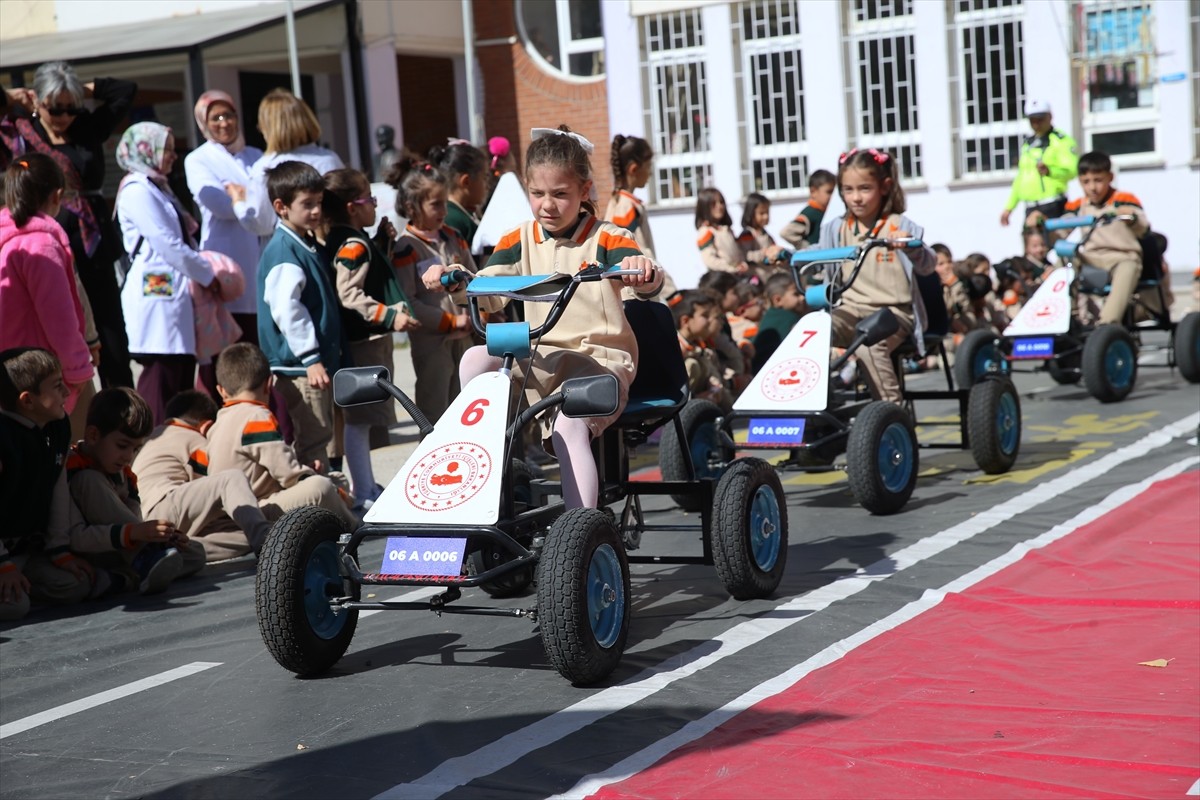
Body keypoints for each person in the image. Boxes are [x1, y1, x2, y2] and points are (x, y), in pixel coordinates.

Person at [422, 125, 662, 510]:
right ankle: (485, 477)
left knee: (569, 427)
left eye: (560, 194)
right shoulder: (518, 238)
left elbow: (649, 283)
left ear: (584, 191)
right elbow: (488, 289)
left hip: (598, 364)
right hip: (541, 357)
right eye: (537, 194)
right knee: (474, 359)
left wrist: (641, 269)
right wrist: (454, 279)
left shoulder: (608, 238)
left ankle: (579, 530)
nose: (547, 205)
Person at [0, 62, 137, 389]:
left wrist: (78, 88)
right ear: (38, 100)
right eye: (54, 106)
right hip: (43, 247)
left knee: (112, 335)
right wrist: (9, 96)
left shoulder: (87, 127)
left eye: (70, 106)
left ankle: (121, 414)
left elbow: (125, 91)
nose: (63, 115)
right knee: (58, 327)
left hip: (93, 244)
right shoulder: (19, 133)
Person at [322, 167, 418, 506]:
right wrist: (390, 315)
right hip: (365, 343)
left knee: (364, 419)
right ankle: (364, 490)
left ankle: (367, 486)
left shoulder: (351, 240)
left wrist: (380, 242)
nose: (375, 205)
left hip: (366, 341)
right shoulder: (351, 244)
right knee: (360, 420)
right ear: (352, 207)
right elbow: (348, 293)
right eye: (370, 200)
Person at [817, 147, 937, 404]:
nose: (856, 198)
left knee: (867, 345)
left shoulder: (900, 225)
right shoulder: (837, 228)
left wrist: (909, 246)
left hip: (892, 314)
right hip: (849, 311)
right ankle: (820, 410)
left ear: (884, 186)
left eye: (864, 189)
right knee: (811, 333)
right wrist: (782, 255)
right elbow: (816, 254)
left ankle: (892, 413)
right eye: (848, 190)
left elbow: (929, 264)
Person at [115, 121, 216, 426]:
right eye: (166, 149)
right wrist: (211, 275)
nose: (173, 156)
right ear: (147, 150)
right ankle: (152, 455)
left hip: (172, 299)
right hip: (156, 303)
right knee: (160, 385)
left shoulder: (158, 187)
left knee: (178, 380)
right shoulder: (136, 189)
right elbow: (168, 244)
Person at [206, 342, 357, 528]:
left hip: (231, 510)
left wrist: (304, 470)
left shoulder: (218, 422)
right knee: (324, 486)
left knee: (327, 480)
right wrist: (314, 479)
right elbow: (288, 474)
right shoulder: (257, 417)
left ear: (221, 391)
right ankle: (354, 528)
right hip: (256, 510)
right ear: (269, 384)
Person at [66, 387, 202, 595]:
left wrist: (163, 537)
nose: (128, 456)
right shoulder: (74, 470)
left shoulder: (125, 475)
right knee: (90, 480)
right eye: (122, 446)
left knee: (195, 553)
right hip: (89, 551)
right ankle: (140, 567)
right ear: (93, 435)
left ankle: (130, 575)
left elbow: (133, 520)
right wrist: (137, 534)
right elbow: (76, 537)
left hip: (124, 550)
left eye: (135, 449)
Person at [256, 160, 343, 469]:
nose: (316, 211)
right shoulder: (283, 251)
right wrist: (311, 358)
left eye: (318, 203)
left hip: (307, 366)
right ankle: (317, 509)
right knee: (314, 437)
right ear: (281, 206)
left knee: (317, 433)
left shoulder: (301, 242)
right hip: (300, 368)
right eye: (307, 204)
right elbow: (288, 309)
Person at [0, 348, 95, 620]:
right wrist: (3, 565)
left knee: (75, 584)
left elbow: (58, 487)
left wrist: (59, 548)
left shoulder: (58, 426)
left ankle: (22, 584)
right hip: (4, 554)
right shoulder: (4, 438)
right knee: (16, 607)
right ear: (28, 401)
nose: (66, 391)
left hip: (27, 551)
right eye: (56, 386)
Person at [0, 154, 96, 420]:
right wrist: (77, 368)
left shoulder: (8, 240)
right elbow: (59, 317)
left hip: (11, 370)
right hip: (43, 373)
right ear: (58, 195)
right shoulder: (41, 246)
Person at [131, 390, 273, 562]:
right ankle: (269, 542)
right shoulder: (194, 439)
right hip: (164, 507)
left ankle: (174, 552)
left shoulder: (155, 435)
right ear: (206, 426)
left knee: (244, 537)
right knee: (232, 478)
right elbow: (220, 489)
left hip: (145, 522)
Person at [388, 157, 476, 424]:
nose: (443, 211)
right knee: (435, 413)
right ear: (411, 206)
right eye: (435, 204)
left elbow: (475, 277)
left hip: (465, 338)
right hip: (432, 345)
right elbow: (408, 301)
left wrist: (479, 314)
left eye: (444, 203)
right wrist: (449, 321)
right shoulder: (406, 247)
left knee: (466, 409)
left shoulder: (453, 236)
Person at [184, 90, 264, 347]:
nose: (224, 123)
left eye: (228, 115)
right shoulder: (198, 160)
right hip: (226, 258)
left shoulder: (255, 156)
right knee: (234, 345)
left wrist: (239, 195)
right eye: (215, 117)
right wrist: (250, 199)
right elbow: (219, 205)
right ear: (203, 124)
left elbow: (271, 203)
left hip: (260, 256)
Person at [1054, 150, 1151, 326]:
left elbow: (1144, 228)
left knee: (1128, 267)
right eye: (1086, 182)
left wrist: (1131, 217)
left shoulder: (1124, 199)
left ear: (1110, 177)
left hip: (1121, 256)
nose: (1092, 188)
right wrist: (1039, 223)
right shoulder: (1079, 205)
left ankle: (1107, 324)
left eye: (1098, 180)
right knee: (1062, 261)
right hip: (1090, 258)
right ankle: (1063, 317)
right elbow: (1061, 229)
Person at [241, 89, 344, 238]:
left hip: (290, 250)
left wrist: (238, 203)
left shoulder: (266, 166)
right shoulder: (329, 158)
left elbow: (261, 224)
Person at [1001, 99, 1078, 231]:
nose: (1036, 124)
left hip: (1053, 205)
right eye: (1032, 120)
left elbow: (1073, 170)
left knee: (1051, 248)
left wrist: (1050, 171)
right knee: (1032, 249)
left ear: (1050, 116)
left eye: (1040, 119)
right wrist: (1009, 208)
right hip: (1030, 207)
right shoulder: (1028, 144)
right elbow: (1021, 178)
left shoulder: (1061, 141)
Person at [671, 290, 732, 412]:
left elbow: (712, 375)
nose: (710, 321)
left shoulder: (698, 347)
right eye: (705, 316)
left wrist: (714, 390)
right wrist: (695, 399)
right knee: (691, 365)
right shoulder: (672, 346)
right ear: (685, 321)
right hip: (675, 410)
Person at [432, 139, 490, 250]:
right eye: (484, 178)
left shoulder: (465, 213)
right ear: (466, 181)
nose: (487, 185)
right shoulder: (453, 220)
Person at [751, 272, 807, 373]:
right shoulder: (790, 318)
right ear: (778, 300)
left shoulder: (769, 316)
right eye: (796, 294)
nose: (802, 298)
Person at [695, 187, 751, 277]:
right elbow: (709, 260)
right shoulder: (706, 231)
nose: (719, 206)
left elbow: (738, 252)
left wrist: (742, 264)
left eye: (721, 202)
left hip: (737, 275)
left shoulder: (727, 230)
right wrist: (730, 269)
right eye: (713, 204)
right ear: (704, 207)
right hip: (721, 278)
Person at [781, 169, 836, 251]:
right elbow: (786, 233)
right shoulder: (810, 213)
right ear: (813, 191)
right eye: (829, 192)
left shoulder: (826, 212)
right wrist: (807, 247)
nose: (832, 196)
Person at [736, 192, 786, 272]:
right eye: (762, 213)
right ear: (751, 214)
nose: (766, 216)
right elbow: (745, 255)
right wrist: (763, 254)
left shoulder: (765, 234)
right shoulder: (747, 234)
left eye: (767, 212)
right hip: (756, 278)